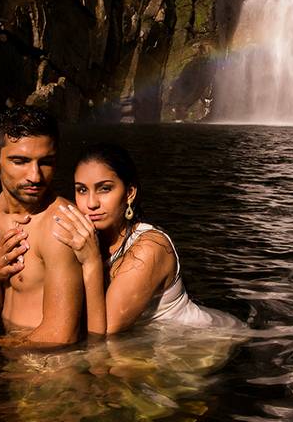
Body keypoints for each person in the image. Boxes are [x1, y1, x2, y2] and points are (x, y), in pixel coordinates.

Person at [52, 142, 241, 334]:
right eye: (82, 190)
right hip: (153, 346)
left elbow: (102, 334)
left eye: (105, 189)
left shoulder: (150, 248)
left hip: (203, 342)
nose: (91, 203)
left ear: (129, 193)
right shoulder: (85, 240)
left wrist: (91, 261)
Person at [0, 105, 84, 345]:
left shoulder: (59, 227)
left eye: (46, 162)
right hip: (15, 350)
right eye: (20, 161)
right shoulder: (3, 207)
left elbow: (60, 337)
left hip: (46, 371)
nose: (35, 176)